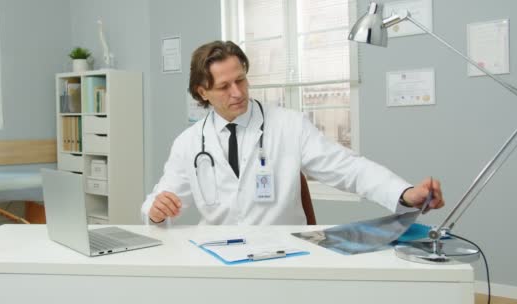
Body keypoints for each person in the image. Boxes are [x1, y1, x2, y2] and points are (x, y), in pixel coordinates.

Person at [141, 40, 444, 225]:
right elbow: (160, 201)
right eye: (224, 86)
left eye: (242, 80)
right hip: (218, 259)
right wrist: (156, 211)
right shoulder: (189, 143)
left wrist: (404, 193)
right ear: (202, 91)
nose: (237, 92)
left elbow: (347, 168)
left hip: (283, 255)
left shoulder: (289, 125)